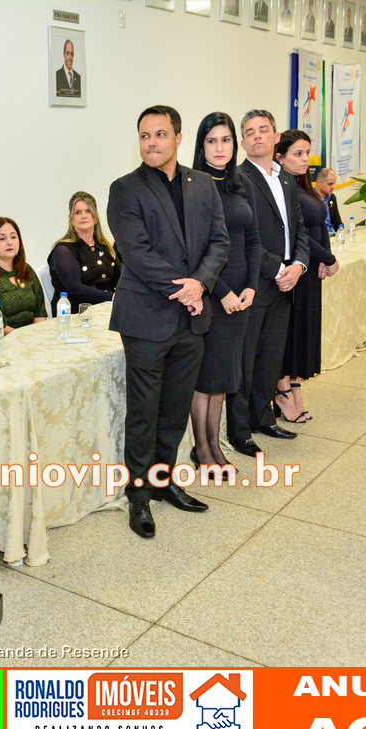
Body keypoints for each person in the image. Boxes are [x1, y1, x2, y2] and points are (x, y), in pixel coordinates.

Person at [107, 105, 229, 539]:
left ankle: (164, 480)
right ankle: (138, 495)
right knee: (144, 412)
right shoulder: (125, 189)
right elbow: (136, 252)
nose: (151, 142)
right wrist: (187, 290)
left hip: (191, 319)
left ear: (178, 138)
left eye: (160, 134)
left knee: (175, 409)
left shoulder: (203, 185)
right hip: (146, 317)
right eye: (144, 135)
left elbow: (219, 242)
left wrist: (202, 283)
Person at [227, 110, 308, 458]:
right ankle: (240, 431)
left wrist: (299, 265)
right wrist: (277, 268)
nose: (257, 136)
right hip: (255, 281)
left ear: (276, 137)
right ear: (243, 142)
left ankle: (263, 417)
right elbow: (242, 236)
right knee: (245, 360)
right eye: (250, 132)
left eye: (264, 130)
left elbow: (299, 229)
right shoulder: (237, 179)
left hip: (286, 281)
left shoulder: (286, 179)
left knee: (270, 358)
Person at [189, 113, 262, 479]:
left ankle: (215, 444)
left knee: (224, 376)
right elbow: (195, 250)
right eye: (212, 141)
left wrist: (250, 286)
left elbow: (254, 240)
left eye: (226, 140)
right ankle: (202, 449)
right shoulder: (193, 186)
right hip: (211, 294)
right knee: (206, 377)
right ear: (201, 146)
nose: (220, 148)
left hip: (241, 295)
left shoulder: (241, 183)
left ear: (235, 144)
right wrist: (223, 292)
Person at [272, 131, 338, 424]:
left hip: (311, 269)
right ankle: (283, 391)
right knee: (292, 334)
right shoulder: (281, 188)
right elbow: (297, 233)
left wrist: (325, 257)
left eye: (307, 153)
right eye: (297, 154)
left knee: (304, 333)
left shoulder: (302, 185)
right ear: (280, 157)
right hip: (296, 268)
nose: (305, 160)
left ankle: (296, 390)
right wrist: (328, 258)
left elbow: (320, 225)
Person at [47, 192, 120, 313]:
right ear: (71, 219)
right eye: (78, 212)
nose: (84, 216)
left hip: (107, 309)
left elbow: (120, 278)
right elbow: (75, 288)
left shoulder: (105, 247)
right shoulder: (63, 250)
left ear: (96, 216)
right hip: (75, 313)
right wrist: (112, 297)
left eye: (88, 211)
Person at [0, 218, 48, 332]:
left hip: (32, 335)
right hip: (2, 338)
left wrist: (39, 334)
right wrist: (23, 337)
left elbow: (39, 313)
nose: (9, 242)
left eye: (13, 237)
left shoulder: (26, 269)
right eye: (2, 238)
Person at [315, 167, 343, 232]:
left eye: (334, 183)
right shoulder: (311, 199)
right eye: (330, 184)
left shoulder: (331, 197)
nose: (333, 187)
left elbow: (337, 222)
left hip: (333, 234)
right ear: (319, 183)